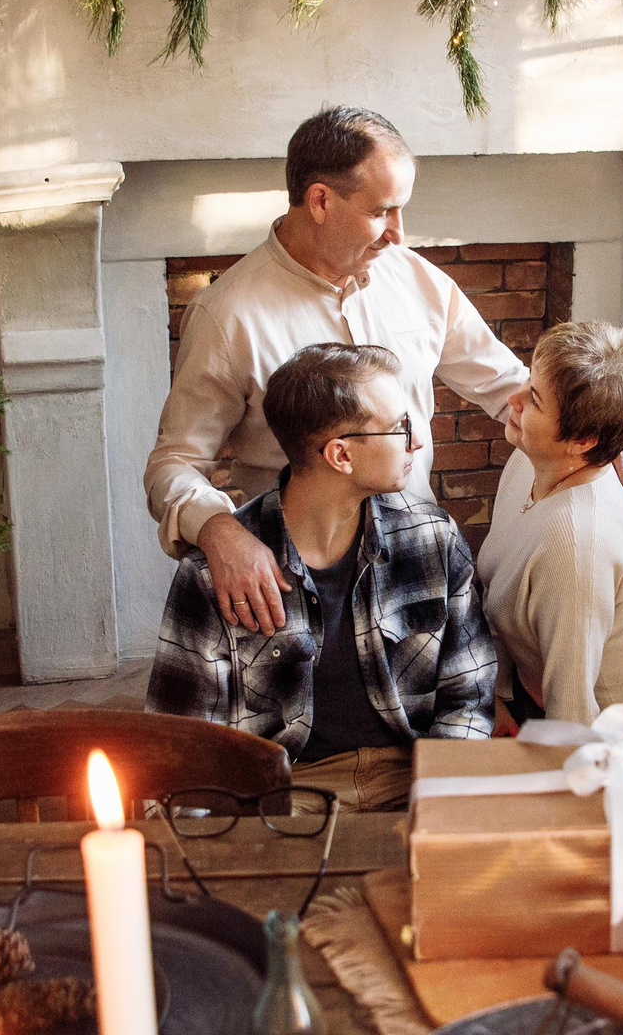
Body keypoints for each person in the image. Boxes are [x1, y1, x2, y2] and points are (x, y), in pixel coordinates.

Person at [144, 105, 623, 636]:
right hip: (289, 583)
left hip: (417, 563)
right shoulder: (227, 316)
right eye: (382, 211)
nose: (398, 235)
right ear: (320, 200)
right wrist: (219, 530)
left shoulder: (418, 281)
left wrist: (603, 429)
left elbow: (509, 387)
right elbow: (172, 465)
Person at [146, 343, 498, 809]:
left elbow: (469, 696)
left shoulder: (432, 539)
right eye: (400, 428)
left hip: (415, 778)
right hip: (282, 795)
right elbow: (182, 747)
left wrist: (441, 801)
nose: (416, 442)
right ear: (340, 455)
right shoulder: (213, 575)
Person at [477, 321, 623, 726]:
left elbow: (573, 713)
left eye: (534, 399)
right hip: (527, 688)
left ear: (583, 440)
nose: (513, 400)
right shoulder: (532, 457)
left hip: (614, 730)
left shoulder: (574, 549)